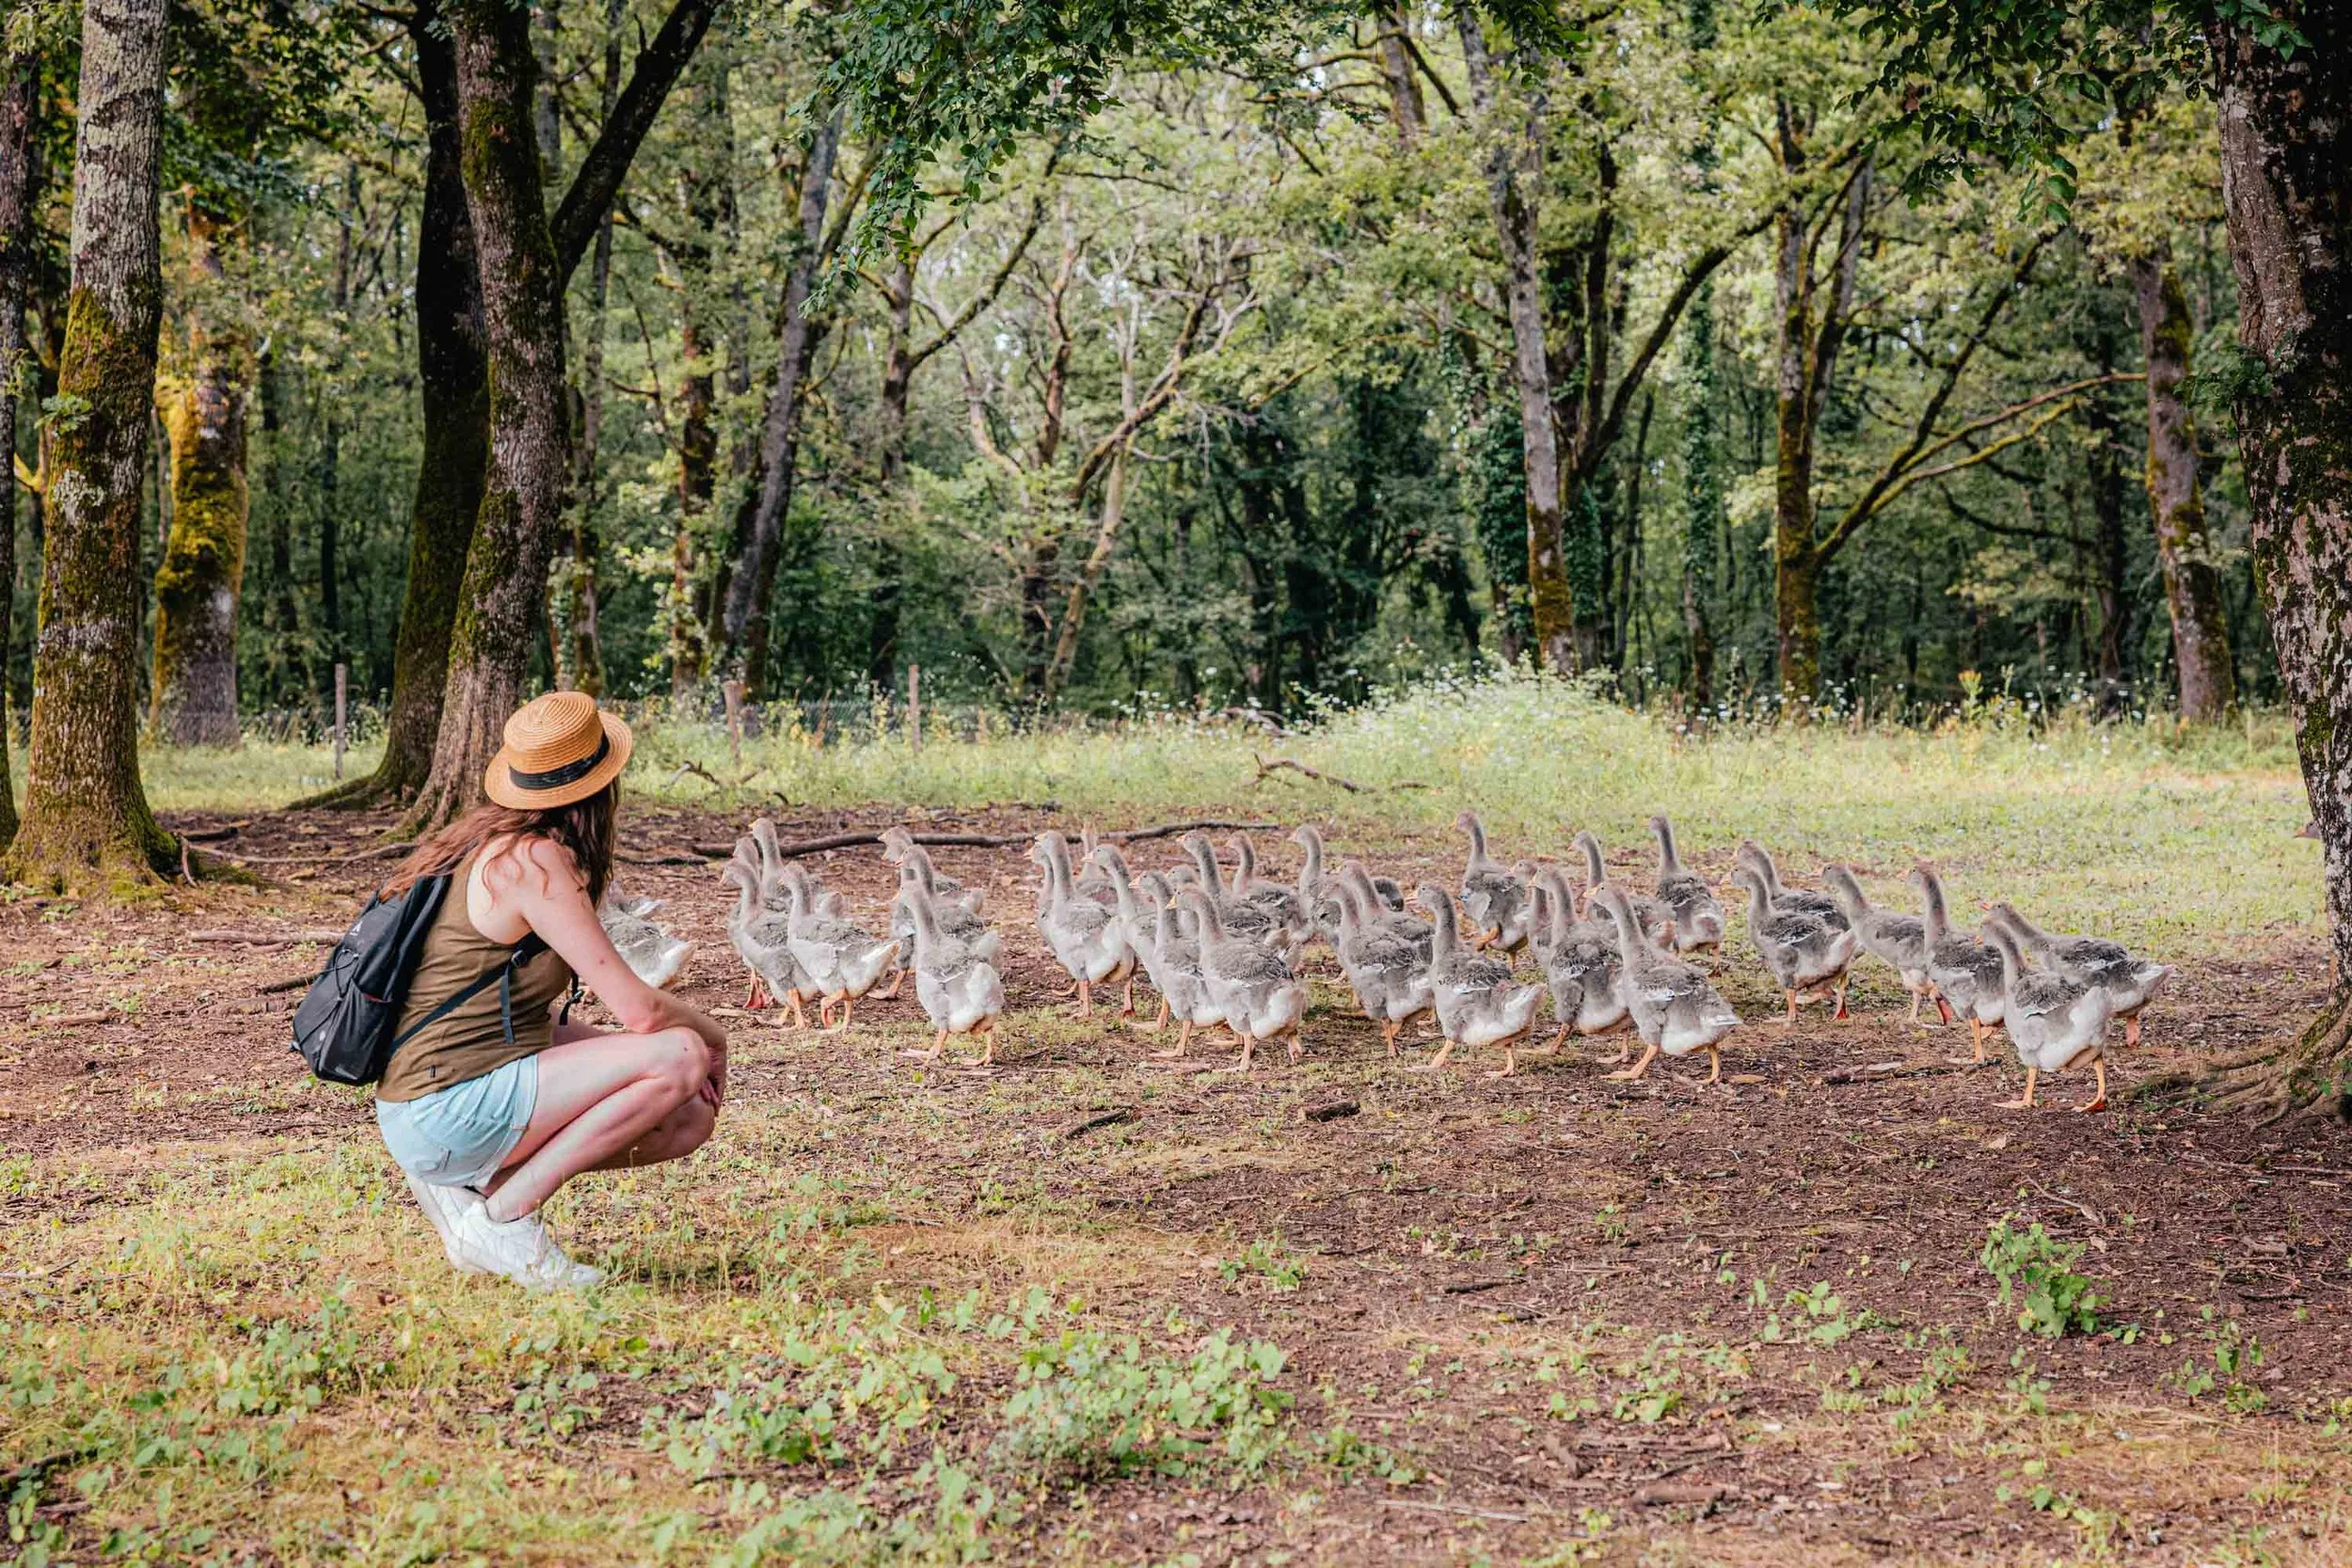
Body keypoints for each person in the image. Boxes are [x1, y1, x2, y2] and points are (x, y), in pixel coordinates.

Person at [372, 691, 727, 1289]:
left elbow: (529, 1018)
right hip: (440, 1106)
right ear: (600, 786)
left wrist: (625, 1059)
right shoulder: (533, 864)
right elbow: (639, 1010)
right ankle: (505, 1218)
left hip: (432, 1100)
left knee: (687, 1119)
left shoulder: (492, 848)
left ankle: (477, 1194)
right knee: (682, 1056)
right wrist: (713, 1036)